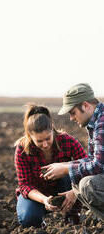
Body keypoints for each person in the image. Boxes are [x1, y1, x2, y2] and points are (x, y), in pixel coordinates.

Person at [14, 104, 87, 227]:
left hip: (65, 187)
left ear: (52, 129)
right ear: (30, 136)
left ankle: (72, 217)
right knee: (28, 218)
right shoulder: (22, 150)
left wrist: (75, 192)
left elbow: (87, 165)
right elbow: (24, 185)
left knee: (72, 171)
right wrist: (44, 200)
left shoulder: (67, 141)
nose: (46, 144)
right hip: (37, 193)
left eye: (48, 138)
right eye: (39, 141)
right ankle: (40, 223)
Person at [42, 83, 104, 220]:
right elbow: (93, 159)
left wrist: (66, 169)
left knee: (87, 185)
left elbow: (98, 166)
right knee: (80, 181)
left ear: (86, 105)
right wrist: (64, 166)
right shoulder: (96, 122)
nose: (71, 118)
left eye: (72, 112)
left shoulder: (102, 123)